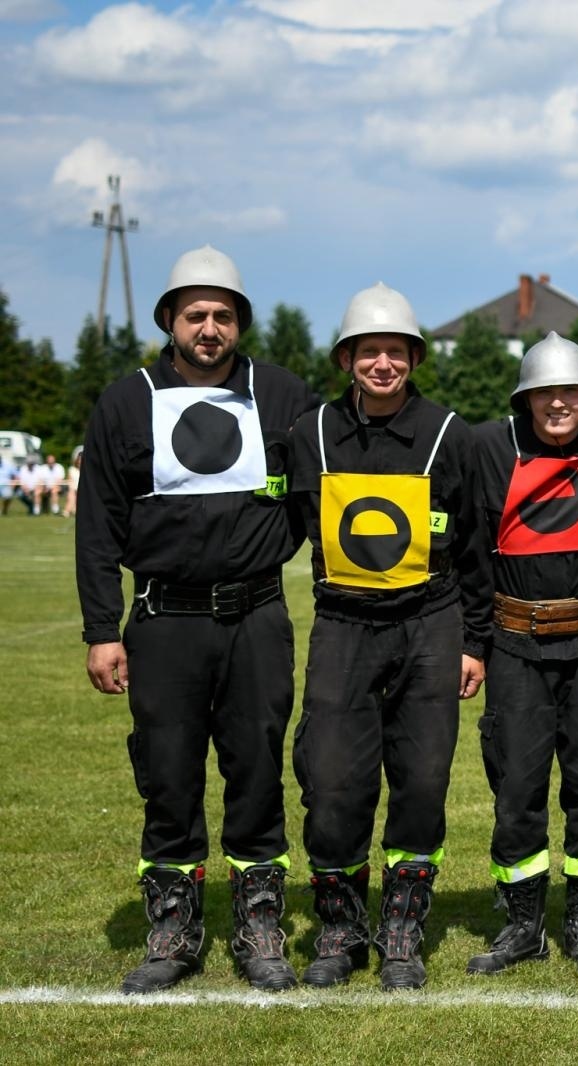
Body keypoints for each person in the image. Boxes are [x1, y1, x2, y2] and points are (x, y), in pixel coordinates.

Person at [74, 244, 319, 993]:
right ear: (170, 322)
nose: (208, 328)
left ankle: (258, 925)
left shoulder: (282, 395)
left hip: (256, 618)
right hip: (163, 623)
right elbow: (96, 524)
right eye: (195, 315)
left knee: (256, 772)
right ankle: (173, 928)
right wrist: (101, 630)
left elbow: (324, 490)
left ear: (239, 323)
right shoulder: (125, 400)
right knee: (169, 777)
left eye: (222, 315)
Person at [289, 282, 491, 991]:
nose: (382, 363)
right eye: (368, 351)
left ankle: (402, 931)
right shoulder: (310, 433)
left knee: (423, 781)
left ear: (413, 357)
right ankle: (340, 929)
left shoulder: (448, 433)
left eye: (395, 351)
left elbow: (475, 548)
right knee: (335, 782)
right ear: (347, 358)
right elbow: (277, 525)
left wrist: (475, 643)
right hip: (343, 625)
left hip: (429, 623)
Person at [465, 332, 578, 979]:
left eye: (571, 392)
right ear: (526, 399)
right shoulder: (490, 448)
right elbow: (471, 555)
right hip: (515, 644)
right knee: (518, 785)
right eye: (546, 393)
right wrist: (472, 645)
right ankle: (522, 923)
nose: (559, 403)